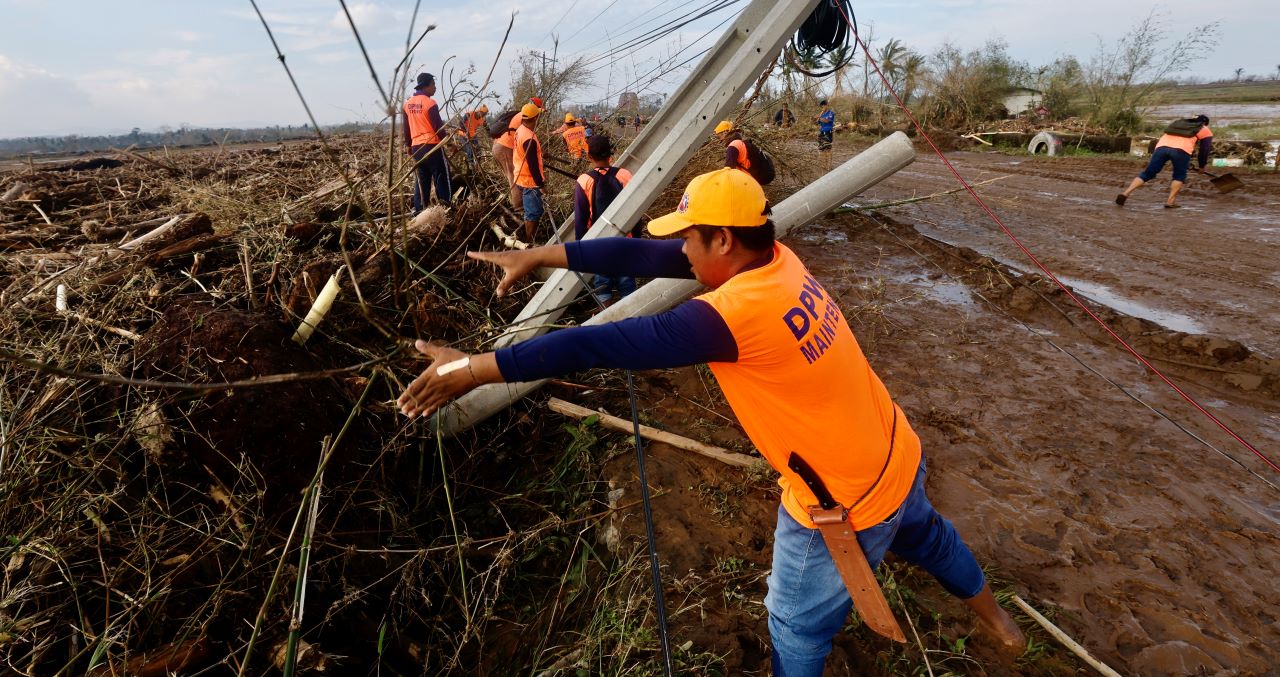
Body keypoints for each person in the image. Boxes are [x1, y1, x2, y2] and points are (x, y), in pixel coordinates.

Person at [398, 168, 1025, 674]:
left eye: (689, 237)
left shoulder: (731, 315)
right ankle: (1000, 622)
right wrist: (542, 254)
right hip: (893, 449)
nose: (681, 250)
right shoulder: (777, 259)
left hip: (841, 501)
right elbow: (642, 253)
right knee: (931, 537)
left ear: (721, 240)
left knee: (796, 627)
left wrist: (471, 368)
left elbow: (591, 346)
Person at [573, 135, 635, 304]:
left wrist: (581, 248)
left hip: (597, 243)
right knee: (627, 285)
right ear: (610, 154)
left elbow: (581, 219)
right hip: (624, 242)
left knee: (602, 286)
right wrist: (637, 239)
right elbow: (635, 210)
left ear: (589, 156)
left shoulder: (584, 180)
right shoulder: (625, 175)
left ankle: (606, 319)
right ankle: (629, 319)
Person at [1115, 114, 1213, 209]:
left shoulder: (1178, 123)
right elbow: (1204, 150)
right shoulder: (1204, 129)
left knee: (1148, 173)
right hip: (1181, 151)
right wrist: (1202, 166)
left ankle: (1126, 193)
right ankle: (1170, 202)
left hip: (1161, 148)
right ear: (1205, 123)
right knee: (1179, 175)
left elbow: (1175, 140)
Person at [402, 73, 452, 211]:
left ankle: (419, 210)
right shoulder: (430, 103)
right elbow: (438, 127)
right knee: (442, 177)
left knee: (421, 181)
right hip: (432, 146)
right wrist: (448, 142)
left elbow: (406, 129)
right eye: (433, 85)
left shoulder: (407, 105)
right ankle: (445, 209)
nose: (435, 88)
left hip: (417, 148)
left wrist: (408, 145)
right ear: (427, 85)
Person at [493, 98, 542, 210]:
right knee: (513, 176)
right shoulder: (525, 117)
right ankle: (518, 206)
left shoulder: (522, 116)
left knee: (513, 174)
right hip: (504, 147)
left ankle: (520, 204)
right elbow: (526, 140)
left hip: (502, 146)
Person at [511, 101, 546, 243]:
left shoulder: (520, 130)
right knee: (533, 214)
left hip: (521, 177)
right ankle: (529, 242)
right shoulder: (528, 138)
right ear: (534, 119)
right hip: (529, 181)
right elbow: (532, 165)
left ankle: (529, 238)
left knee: (532, 212)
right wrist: (541, 184)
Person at [816, 99, 836, 171]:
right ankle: (824, 165)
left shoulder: (831, 113)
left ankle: (829, 166)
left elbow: (827, 120)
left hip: (828, 132)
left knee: (828, 149)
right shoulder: (822, 114)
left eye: (824, 106)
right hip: (821, 132)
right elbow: (817, 122)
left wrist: (819, 118)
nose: (823, 108)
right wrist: (817, 118)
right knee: (821, 149)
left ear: (827, 105)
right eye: (822, 106)